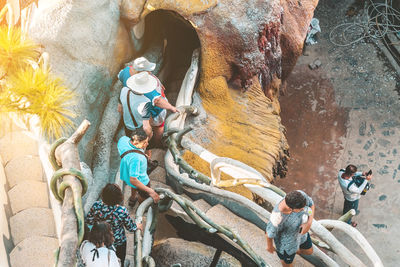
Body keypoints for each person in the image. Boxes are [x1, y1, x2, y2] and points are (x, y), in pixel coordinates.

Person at [117, 56, 179, 146]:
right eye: (147, 70)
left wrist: (131, 115)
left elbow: (120, 109)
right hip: (150, 118)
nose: (150, 72)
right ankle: (157, 144)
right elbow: (157, 101)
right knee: (159, 127)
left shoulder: (124, 87)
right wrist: (171, 107)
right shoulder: (145, 100)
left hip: (129, 126)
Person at [86, 184, 142, 266]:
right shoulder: (121, 211)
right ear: (119, 198)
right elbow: (130, 227)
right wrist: (136, 226)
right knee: (119, 259)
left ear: (103, 195)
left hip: (101, 239)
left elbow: (89, 220)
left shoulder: (96, 206)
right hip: (118, 241)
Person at [266, 190, 315, 267]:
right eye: (300, 209)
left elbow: (311, 205)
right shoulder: (277, 217)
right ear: (290, 208)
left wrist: (309, 222)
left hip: (302, 237)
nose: (304, 209)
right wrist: (270, 246)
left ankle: (296, 250)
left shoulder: (300, 195)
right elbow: (269, 234)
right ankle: (287, 256)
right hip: (286, 247)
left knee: (309, 251)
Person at [117, 128, 160, 207]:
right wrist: (150, 191)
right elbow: (133, 180)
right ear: (135, 143)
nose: (147, 144)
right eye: (144, 143)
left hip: (127, 171)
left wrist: (141, 154)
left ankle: (132, 198)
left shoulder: (123, 140)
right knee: (144, 196)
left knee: (133, 185)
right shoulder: (137, 159)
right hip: (141, 180)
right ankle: (142, 205)